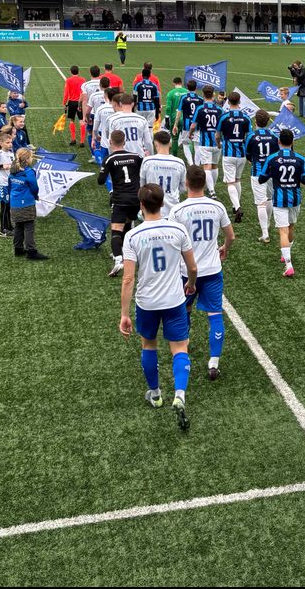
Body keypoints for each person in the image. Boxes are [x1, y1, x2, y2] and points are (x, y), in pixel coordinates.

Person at [119, 184, 197, 431]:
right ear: (162, 204)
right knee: (180, 347)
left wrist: (124, 314)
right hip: (174, 300)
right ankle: (180, 395)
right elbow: (192, 268)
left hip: (147, 302)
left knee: (148, 344)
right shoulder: (177, 230)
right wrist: (191, 285)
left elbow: (129, 278)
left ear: (141, 206)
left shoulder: (132, 236)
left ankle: (155, 394)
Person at [171, 166, 235, 380]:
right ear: (205, 184)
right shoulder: (217, 206)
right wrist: (225, 247)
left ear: (186, 183)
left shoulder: (178, 211)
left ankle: (183, 348)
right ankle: (214, 362)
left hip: (187, 271)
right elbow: (231, 235)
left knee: (184, 310)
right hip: (212, 269)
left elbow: (172, 242)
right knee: (215, 314)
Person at [258, 128, 305, 277]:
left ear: (279, 141)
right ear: (293, 142)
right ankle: (286, 253)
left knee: (283, 231)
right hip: (295, 198)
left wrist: (272, 173)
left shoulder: (272, 158)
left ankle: (288, 265)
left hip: (280, 199)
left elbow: (262, 179)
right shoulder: (300, 158)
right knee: (291, 227)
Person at [99, 128, 146, 277]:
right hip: (136, 199)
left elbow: (100, 181)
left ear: (111, 142)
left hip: (120, 198)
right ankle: (131, 257)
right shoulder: (136, 156)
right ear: (125, 142)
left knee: (116, 230)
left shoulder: (109, 159)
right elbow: (143, 173)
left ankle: (119, 260)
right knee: (128, 225)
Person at [244, 109, 280, 242]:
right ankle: (268, 224)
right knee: (269, 199)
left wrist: (252, 160)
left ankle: (265, 233)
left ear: (256, 121)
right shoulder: (275, 136)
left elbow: (247, 154)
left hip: (258, 173)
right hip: (272, 172)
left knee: (260, 203)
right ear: (267, 121)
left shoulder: (251, 136)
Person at [218, 91, 253, 223]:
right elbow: (249, 136)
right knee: (237, 180)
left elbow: (217, 134)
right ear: (239, 102)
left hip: (228, 153)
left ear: (228, 101)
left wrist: (218, 144)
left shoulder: (224, 116)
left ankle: (237, 207)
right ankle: (235, 205)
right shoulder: (246, 117)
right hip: (242, 153)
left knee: (230, 182)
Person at [8, 148, 48, 260]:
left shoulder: (12, 172)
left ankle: (18, 249)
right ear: (28, 159)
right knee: (29, 227)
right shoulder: (29, 172)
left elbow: (9, 187)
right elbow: (34, 187)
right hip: (26, 204)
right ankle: (31, 251)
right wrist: (35, 196)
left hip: (14, 204)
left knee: (18, 226)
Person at [140, 130, 188, 217]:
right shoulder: (179, 163)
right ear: (170, 144)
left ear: (155, 144)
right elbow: (183, 188)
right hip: (173, 210)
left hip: (151, 209)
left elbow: (142, 186)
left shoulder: (147, 161)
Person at [191, 88, 224, 198]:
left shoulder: (200, 108)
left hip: (205, 142)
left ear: (203, 95)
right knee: (214, 166)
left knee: (207, 167)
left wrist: (191, 133)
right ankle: (212, 187)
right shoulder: (219, 109)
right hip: (217, 142)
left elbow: (193, 125)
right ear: (213, 95)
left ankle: (211, 191)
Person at [107, 92, 154, 158]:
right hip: (138, 155)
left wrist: (112, 156)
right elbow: (148, 142)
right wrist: (150, 156)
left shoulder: (114, 120)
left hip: (122, 157)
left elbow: (111, 141)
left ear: (120, 104)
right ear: (133, 104)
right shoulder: (142, 119)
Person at [81, 65, 103, 146]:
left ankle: (94, 154)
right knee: (102, 131)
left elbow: (85, 101)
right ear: (99, 73)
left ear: (90, 73)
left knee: (90, 132)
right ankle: (101, 150)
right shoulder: (104, 83)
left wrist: (84, 116)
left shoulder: (85, 85)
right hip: (103, 111)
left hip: (92, 112)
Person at [63, 65, 85, 146]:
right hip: (80, 102)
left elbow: (66, 93)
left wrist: (64, 103)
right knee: (81, 121)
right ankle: (82, 141)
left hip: (72, 102)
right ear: (78, 72)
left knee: (72, 120)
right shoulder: (83, 80)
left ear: (70, 72)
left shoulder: (68, 80)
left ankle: (73, 139)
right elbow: (83, 92)